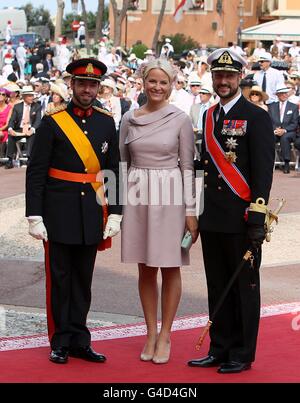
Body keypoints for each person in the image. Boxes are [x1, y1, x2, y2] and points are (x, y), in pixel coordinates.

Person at [25, 58, 122, 364]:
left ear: (98, 88)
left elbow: (113, 170)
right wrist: (35, 215)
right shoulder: (53, 121)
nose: (87, 89)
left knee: (83, 280)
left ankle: (80, 338)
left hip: (91, 213)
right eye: (81, 84)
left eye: (92, 85)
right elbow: (36, 171)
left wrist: (117, 212)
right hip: (58, 212)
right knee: (60, 279)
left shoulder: (107, 122)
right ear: (72, 85)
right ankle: (60, 340)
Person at [187, 48, 275, 374]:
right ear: (212, 78)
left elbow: (263, 173)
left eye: (229, 75)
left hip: (241, 219)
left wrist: (257, 217)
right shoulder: (208, 116)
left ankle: (241, 352)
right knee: (217, 285)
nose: (223, 81)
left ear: (239, 77)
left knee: (244, 288)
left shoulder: (257, 116)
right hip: (213, 217)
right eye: (218, 76)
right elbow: (205, 167)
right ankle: (219, 347)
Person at [119, 59, 198, 364]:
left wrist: (192, 211)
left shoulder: (180, 119)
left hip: (170, 195)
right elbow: (122, 164)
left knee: (170, 266)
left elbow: (188, 166)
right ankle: (150, 332)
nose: (157, 87)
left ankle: (166, 334)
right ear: (143, 82)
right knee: (145, 268)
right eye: (152, 81)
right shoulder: (128, 118)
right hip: (138, 195)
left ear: (172, 85)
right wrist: (119, 207)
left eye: (163, 82)